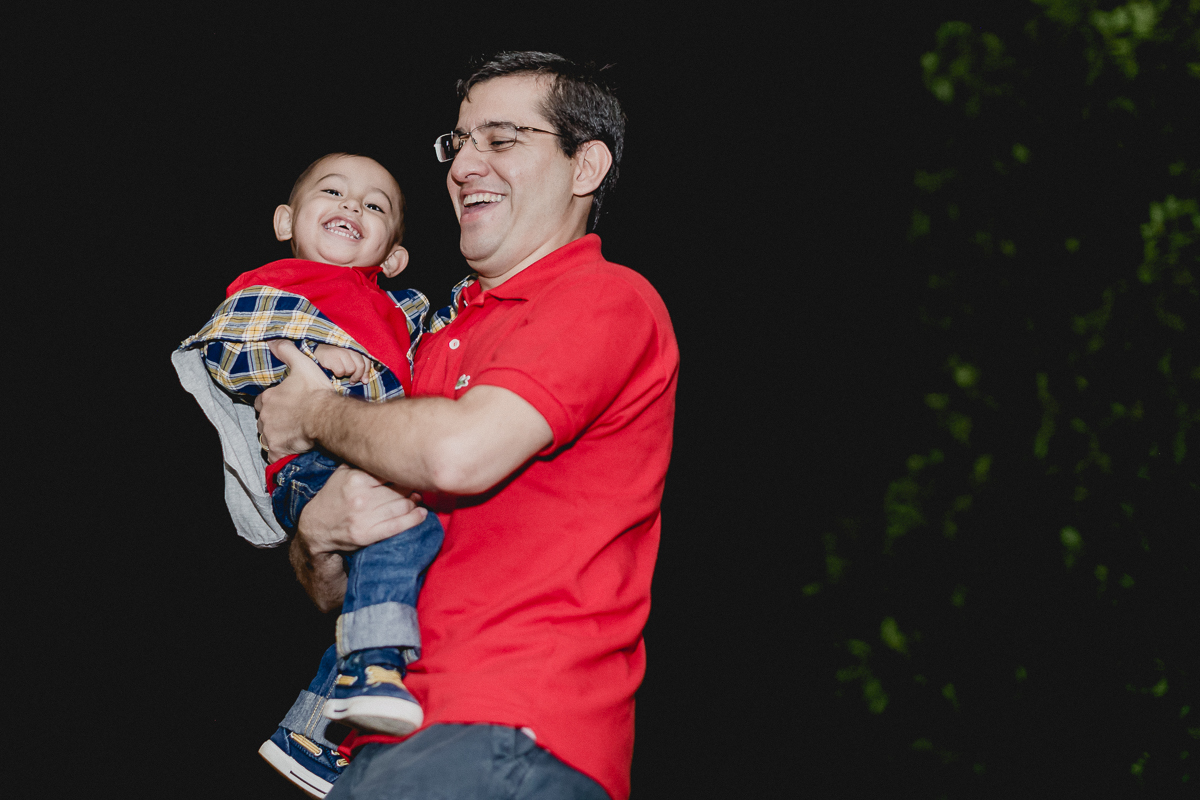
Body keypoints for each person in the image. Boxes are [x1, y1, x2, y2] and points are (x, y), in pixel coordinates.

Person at [256, 52, 678, 800]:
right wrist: (318, 535)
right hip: (380, 745)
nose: (464, 164)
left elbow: (456, 455)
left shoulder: (604, 297)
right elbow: (337, 589)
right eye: (458, 143)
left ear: (586, 166)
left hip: (508, 735)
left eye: (503, 138)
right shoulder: (431, 343)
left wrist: (315, 413)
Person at [172, 154, 446, 797]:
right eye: (334, 192)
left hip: (374, 456)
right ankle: (373, 664)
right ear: (285, 221)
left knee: (415, 550)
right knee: (403, 535)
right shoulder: (279, 282)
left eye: (376, 206)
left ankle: (310, 736)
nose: (354, 206)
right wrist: (315, 357)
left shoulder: (400, 309)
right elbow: (227, 349)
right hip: (311, 465)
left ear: (394, 256)